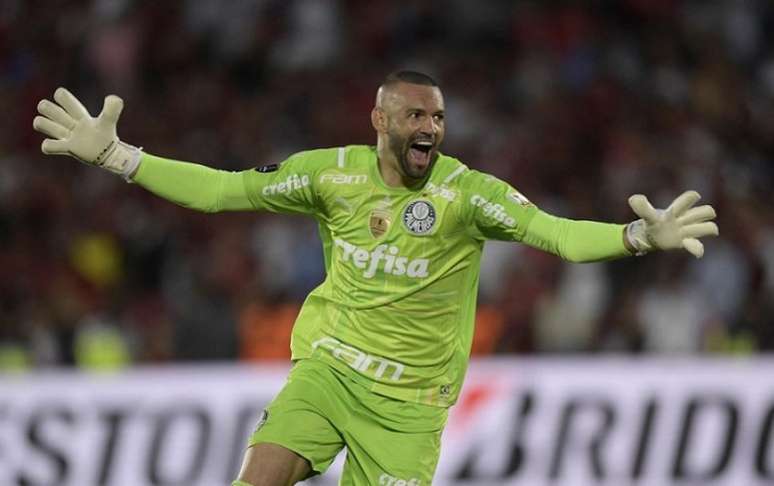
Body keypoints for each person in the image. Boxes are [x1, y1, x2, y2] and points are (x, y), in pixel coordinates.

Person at [33, 70, 718, 486]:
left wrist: (637, 236)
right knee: (259, 477)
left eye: (439, 117)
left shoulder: (468, 195)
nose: (431, 128)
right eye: (416, 115)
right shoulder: (329, 174)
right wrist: (120, 156)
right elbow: (222, 191)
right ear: (380, 120)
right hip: (329, 371)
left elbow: (560, 236)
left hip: (408, 405)